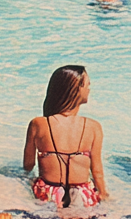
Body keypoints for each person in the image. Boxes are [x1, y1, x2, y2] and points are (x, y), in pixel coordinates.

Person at [23, 65, 109, 208]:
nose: (89, 89)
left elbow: (28, 165)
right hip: (83, 195)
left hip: (49, 193)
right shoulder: (93, 126)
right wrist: (104, 195)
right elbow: (97, 172)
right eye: (87, 85)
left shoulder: (38, 123)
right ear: (76, 89)